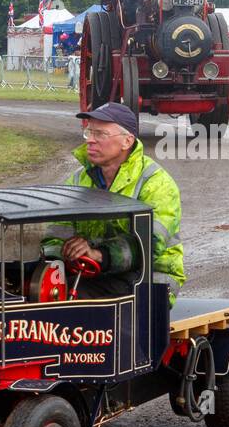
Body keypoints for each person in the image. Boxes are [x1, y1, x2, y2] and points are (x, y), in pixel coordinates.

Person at [41, 102, 185, 305]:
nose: (90, 140)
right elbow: (56, 234)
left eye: (100, 134)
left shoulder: (156, 183)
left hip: (151, 278)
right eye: (88, 132)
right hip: (96, 273)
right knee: (38, 293)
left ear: (127, 141)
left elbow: (150, 244)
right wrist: (60, 256)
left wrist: (99, 254)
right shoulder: (76, 180)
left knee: (77, 300)